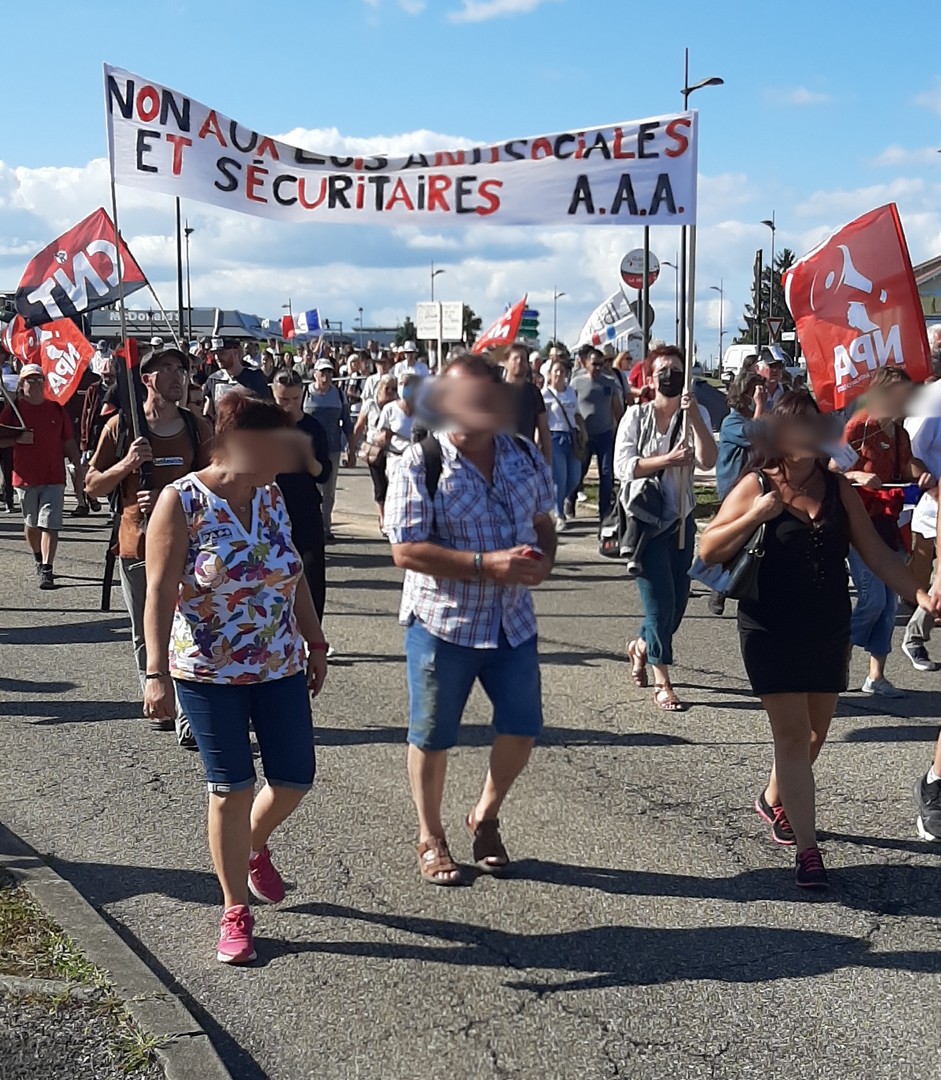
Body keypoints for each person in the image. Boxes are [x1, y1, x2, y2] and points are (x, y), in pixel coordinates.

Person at [700, 392, 939, 889]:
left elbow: (874, 552)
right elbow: (709, 546)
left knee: (815, 734)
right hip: (769, 626)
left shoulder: (836, 488)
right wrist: (755, 515)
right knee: (790, 736)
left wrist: (920, 593)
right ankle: (809, 853)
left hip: (827, 625)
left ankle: (771, 799)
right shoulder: (756, 484)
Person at [143, 391, 329, 964]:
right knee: (231, 787)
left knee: (295, 776)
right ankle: (234, 909)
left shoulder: (271, 496)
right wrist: (155, 674)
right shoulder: (182, 501)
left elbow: (293, 570)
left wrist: (314, 638)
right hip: (207, 669)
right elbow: (157, 590)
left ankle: (252, 845)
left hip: (278, 662)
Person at [385, 355, 557, 885]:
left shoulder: (523, 454)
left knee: (523, 727)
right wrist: (487, 565)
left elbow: (543, 519)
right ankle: (431, 836)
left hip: (512, 623)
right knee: (433, 736)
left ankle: (484, 814)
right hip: (444, 622)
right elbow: (406, 550)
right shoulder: (421, 461)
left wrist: (544, 560)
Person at [86, 346, 213, 737]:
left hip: (190, 545)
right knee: (147, 627)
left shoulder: (197, 427)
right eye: (167, 369)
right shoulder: (122, 428)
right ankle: (158, 692)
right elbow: (91, 486)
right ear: (146, 379)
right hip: (136, 545)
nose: (178, 376)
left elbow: (216, 483)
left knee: (189, 625)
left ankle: (189, 713)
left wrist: (172, 498)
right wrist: (126, 464)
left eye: (182, 369)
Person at [614, 346, 717, 711]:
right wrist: (667, 459)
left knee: (677, 605)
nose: (669, 377)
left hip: (681, 521)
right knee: (659, 603)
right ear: (651, 378)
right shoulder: (636, 417)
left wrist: (696, 418)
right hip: (646, 523)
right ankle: (663, 682)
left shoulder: (695, 413)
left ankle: (640, 647)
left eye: (676, 370)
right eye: (663, 372)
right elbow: (622, 466)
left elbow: (708, 460)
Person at [834, 367, 933, 697]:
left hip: (889, 523)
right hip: (860, 523)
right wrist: (858, 476)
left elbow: (907, 466)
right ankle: (840, 654)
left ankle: (876, 675)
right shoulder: (860, 426)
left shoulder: (899, 431)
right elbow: (833, 468)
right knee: (873, 597)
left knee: (889, 604)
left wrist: (924, 476)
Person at [0, 364, 83, 590]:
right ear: (21, 385)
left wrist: (77, 464)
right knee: (32, 523)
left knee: (50, 524)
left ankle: (47, 568)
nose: (35, 384)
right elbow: (1, 439)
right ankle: (38, 556)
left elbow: (68, 441)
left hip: (54, 476)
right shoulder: (14, 409)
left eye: (39, 380)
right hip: (25, 477)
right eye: (30, 380)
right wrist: (17, 439)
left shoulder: (56, 409)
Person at [270, 369, 332, 621]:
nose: (289, 406)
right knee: (274, 577)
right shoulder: (264, 428)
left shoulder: (312, 427)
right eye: (283, 400)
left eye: (295, 399)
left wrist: (309, 460)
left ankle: (314, 635)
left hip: (305, 510)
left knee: (313, 574)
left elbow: (324, 474)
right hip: (271, 512)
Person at [709, 370, 768, 615]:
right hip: (733, 487)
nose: (758, 394)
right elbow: (757, 437)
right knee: (737, 539)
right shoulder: (731, 422)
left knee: (747, 538)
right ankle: (717, 588)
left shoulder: (750, 417)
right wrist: (761, 406)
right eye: (754, 390)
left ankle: (721, 582)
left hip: (750, 486)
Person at [902, 374, 941, 670]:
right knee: (926, 563)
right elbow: (911, 449)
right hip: (936, 496)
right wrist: (931, 486)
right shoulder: (933, 398)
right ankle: (915, 633)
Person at [303, 359, 354, 542]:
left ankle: (326, 526)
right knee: (309, 488)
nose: (326, 376)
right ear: (314, 373)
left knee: (328, 490)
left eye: (329, 372)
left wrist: (351, 448)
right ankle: (311, 524)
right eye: (322, 372)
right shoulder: (305, 393)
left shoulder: (339, 395)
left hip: (332, 448)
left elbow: (347, 423)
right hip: (307, 448)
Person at [570, 348, 624, 519]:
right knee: (580, 472)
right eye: (594, 364)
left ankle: (604, 510)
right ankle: (570, 501)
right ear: (586, 363)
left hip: (605, 433)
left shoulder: (609, 383)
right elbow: (570, 408)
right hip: (584, 435)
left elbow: (616, 408)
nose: (598, 368)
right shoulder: (577, 383)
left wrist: (622, 429)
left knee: (606, 473)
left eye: (601, 364)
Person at [353, 374, 398, 533]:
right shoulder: (370, 405)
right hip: (375, 452)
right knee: (380, 486)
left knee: (393, 486)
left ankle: (391, 516)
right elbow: (358, 427)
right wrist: (351, 449)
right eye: (387, 389)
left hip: (393, 451)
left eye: (394, 389)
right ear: (379, 389)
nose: (391, 392)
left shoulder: (397, 407)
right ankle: (383, 518)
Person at [542, 359, 581, 529]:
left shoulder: (571, 392)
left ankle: (555, 501)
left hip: (572, 436)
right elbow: (542, 421)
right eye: (556, 371)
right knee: (560, 478)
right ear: (549, 375)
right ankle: (559, 514)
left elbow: (577, 413)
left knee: (574, 478)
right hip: (555, 437)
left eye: (562, 371)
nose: (559, 374)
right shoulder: (545, 394)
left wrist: (583, 430)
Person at [502, 343, 551, 464]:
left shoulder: (533, 392)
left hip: (526, 457)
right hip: (501, 458)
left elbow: (543, 428)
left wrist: (548, 461)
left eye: (523, 359)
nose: (519, 362)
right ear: (506, 362)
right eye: (515, 358)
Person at [203, 337, 271, 422]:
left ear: (235, 352)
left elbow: (266, 408)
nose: (217, 357)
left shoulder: (255, 377)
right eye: (215, 354)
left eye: (222, 353)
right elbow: (207, 411)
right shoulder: (213, 380)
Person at [377, 371, 420, 483]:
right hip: (395, 458)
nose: (404, 388)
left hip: (416, 461)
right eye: (401, 384)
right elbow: (380, 436)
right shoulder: (389, 409)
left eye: (407, 385)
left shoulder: (422, 410)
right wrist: (385, 436)